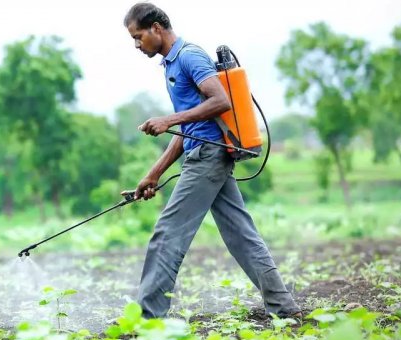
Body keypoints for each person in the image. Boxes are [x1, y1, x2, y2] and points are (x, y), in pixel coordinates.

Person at [123, 2, 301, 320]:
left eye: (138, 37)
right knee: (241, 236)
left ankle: (148, 318)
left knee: (167, 233)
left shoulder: (189, 56)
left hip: (207, 157)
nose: (137, 45)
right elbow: (188, 128)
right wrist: (153, 174)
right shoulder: (170, 65)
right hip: (206, 154)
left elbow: (220, 101)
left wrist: (169, 119)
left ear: (156, 28)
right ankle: (283, 307)